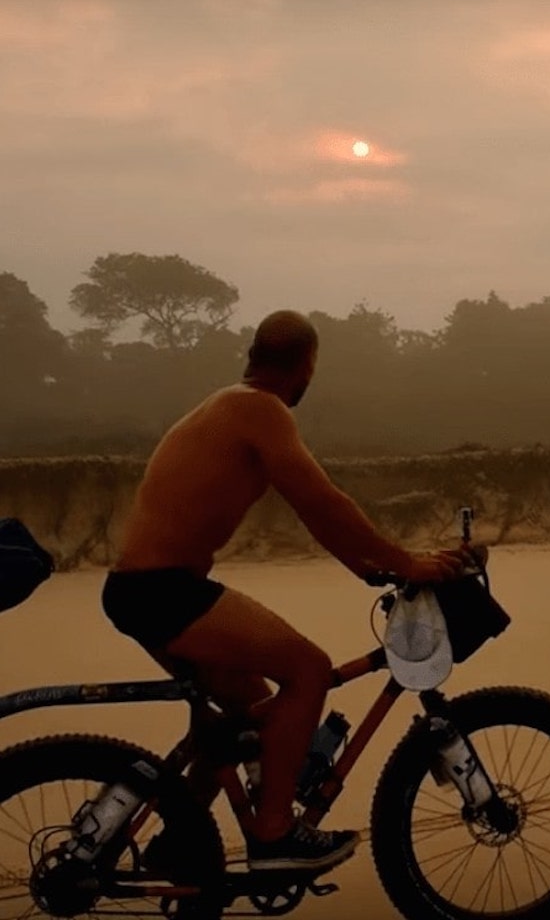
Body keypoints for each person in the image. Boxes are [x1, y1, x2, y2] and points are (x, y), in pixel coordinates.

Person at [100, 310, 464, 873]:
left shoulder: (229, 406)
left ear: (252, 354)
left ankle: (179, 841)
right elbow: (324, 500)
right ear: (306, 365)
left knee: (243, 717)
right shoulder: (259, 409)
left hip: (141, 591)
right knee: (309, 671)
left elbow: (316, 517)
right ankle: (274, 835)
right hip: (164, 592)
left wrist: (369, 570)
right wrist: (407, 562)